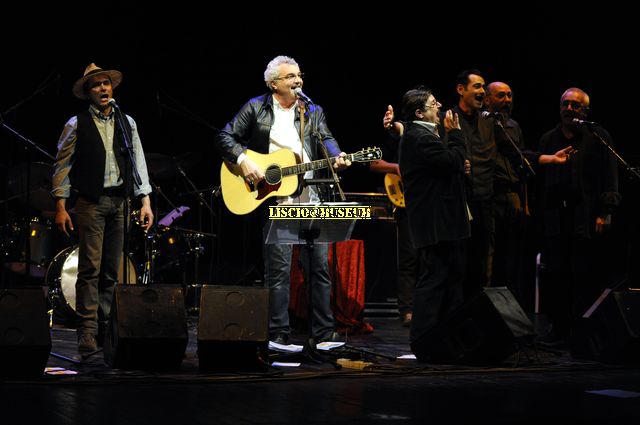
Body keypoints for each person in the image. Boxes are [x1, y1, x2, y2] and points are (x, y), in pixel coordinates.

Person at [215, 55, 351, 344]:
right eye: (290, 76)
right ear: (273, 83)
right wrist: (243, 161)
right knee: (278, 271)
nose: (297, 80)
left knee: (319, 269)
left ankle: (323, 333)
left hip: (312, 196)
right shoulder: (256, 107)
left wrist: (337, 155)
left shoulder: (312, 110)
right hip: (277, 199)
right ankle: (279, 334)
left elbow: (326, 138)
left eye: (299, 75)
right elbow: (224, 137)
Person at [51, 63, 154, 353]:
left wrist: (145, 201)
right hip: (91, 203)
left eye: (106, 83)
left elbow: (138, 161)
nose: (102, 88)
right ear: (88, 93)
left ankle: (106, 326)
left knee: (112, 270)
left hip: (120, 202)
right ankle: (87, 331)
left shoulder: (126, 122)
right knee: (90, 270)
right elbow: (62, 166)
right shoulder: (76, 123)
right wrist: (60, 206)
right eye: (96, 85)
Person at [537, 87, 620, 345]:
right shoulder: (549, 139)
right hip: (555, 216)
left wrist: (606, 211)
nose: (569, 109)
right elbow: (538, 180)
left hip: (585, 216)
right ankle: (558, 328)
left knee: (584, 274)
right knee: (556, 273)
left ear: (586, 110)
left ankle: (582, 330)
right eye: (565, 104)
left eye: (575, 105)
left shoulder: (598, 137)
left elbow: (610, 176)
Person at [396, 87, 470, 353]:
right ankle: (424, 341)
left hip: (442, 220)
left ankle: (444, 339)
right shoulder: (420, 137)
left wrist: (457, 163)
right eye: (433, 103)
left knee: (449, 279)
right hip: (436, 222)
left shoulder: (423, 135)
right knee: (435, 279)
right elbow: (452, 160)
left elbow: (447, 166)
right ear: (419, 113)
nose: (439, 106)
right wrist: (456, 136)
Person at [370, 106, 420, 327]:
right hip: (405, 201)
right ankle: (407, 310)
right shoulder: (396, 138)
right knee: (408, 257)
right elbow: (374, 163)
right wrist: (398, 167)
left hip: (426, 200)